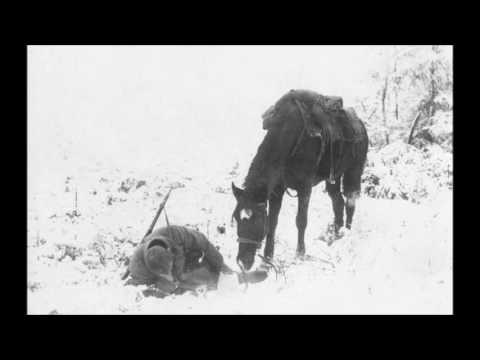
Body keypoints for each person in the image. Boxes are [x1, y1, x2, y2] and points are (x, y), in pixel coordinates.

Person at [125, 225, 267, 297]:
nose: (168, 274)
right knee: (171, 290)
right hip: (164, 285)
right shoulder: (138, 266)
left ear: (169, 252)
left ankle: (239, 278)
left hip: (186, 260)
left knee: (207, 273)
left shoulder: (175, 233)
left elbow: (203, 243)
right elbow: (134, 289)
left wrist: (221, 266)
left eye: (167, 271)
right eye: (164, 272)